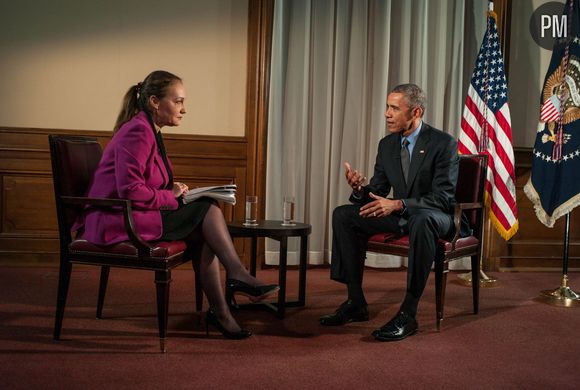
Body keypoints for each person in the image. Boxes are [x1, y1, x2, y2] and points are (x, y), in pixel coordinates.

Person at [76, 70, 278, 340]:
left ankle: (222, 312)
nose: (184, 109)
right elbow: (131, 191)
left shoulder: (150, 129)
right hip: (117, 219)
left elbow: (143, 183)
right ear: (155, 102)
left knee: (206, 230)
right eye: (178, 101)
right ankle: (236, 277)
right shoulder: (137, 131)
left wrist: (172, 190)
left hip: (135, 212)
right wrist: (170, 197)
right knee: (206, 208)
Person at [319, 83, 462, 342]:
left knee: (422, 218)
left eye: (394, 108)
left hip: (437, 216)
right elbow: (379, 190)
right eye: (387, 106)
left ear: (416, 112)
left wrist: (398, 205)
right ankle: (355, 302)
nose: (387, 113)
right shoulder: (387, 145)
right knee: (344, 214)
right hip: (405, 214)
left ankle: (408, 313)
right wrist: (360, 188)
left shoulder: (443, 144)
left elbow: (442, 198)